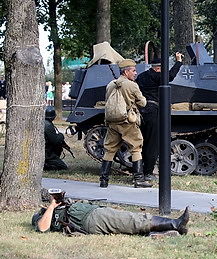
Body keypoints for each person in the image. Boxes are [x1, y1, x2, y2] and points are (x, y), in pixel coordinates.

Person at [32, 192, 190, 236]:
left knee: (128, 220)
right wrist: (51, 207)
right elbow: (42, 228)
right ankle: (176, 224)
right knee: (130, 220)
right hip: (92, 220)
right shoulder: (41, 216)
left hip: (95, 213)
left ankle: (163, 231)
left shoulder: (59, 207)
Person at [100, 59, 150, 188]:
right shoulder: (132, 85)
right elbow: (142, 103)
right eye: (133, 70)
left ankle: (103, 180)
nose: (135, 73)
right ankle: (138, 179)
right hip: (128, 122)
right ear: (126, 71)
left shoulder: (111, 84)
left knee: (110, 149)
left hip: (112, 122)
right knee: (136, 148)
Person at [135, 52, 183, 181]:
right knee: (152, 143)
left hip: (141, 111)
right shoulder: (156, 76)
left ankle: (138, 170)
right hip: (153, 110)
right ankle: (148, 172)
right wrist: (178, 61)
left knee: (141, 142)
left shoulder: (141, 76)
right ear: (157, 68)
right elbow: (171, 76)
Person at [44, 106, 68, 170]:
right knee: (63, 167)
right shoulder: (48, 125)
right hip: (46, 153)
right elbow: (55, 141)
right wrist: (61, 136)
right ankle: (46, 166)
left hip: (42, 151)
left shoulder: (41, 122)